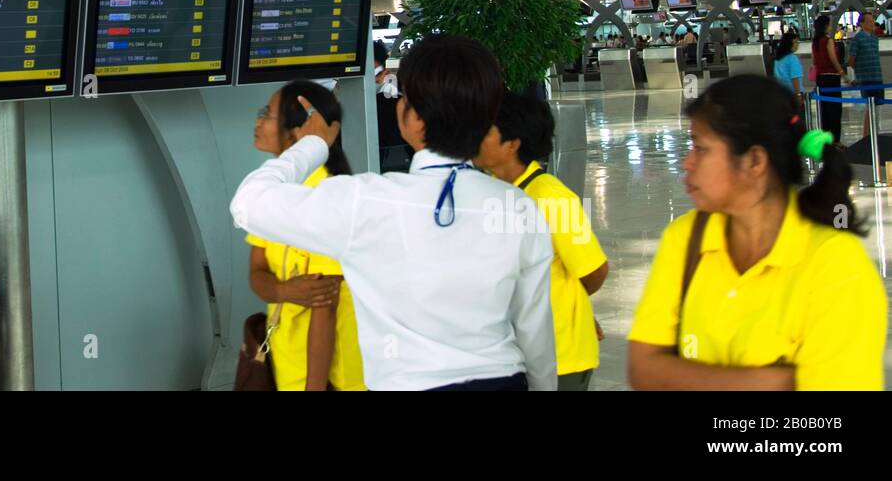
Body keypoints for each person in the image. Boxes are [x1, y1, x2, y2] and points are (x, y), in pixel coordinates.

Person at [230, 34, 557, 391]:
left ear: (411, 118)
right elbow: (534, 330)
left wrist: (313, 144)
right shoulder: (517, 205)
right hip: (503, 382)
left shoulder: (367, 200)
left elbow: (249, 202)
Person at [628, 75, 886, 390]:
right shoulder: (685, 239)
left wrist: (680, 376)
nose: (687, 162)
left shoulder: (836, 266)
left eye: (701, 148)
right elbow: (642, 370)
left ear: (754, 160)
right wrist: (766, 381)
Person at [477, 92, 609, 391]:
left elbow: (594, 271)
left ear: (512, 144)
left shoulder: (549, 196)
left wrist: (570, 308)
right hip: (514, 354)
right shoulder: (495, 191)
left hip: (559, 356)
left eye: (485, 131)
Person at [244, 80, 366, 391]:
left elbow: (323, 309)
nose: (258, 121)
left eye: (266, 114)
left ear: (299, 131)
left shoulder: (328, 195)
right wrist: (284, 291)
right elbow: (256, 275)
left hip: (330, 378)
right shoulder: (272, 192)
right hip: (286, 368)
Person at [373, 40, 411, 174]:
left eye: (376, 73)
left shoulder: (387, 102)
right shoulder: (395, 98)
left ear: (386, 72)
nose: (375, 80)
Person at [846, 11, 885, 139]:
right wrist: (858, 74)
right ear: (862, 24)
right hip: (866, 79)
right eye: (869, 21)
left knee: (877, 108)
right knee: (870, 108)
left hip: (877, 77)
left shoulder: (874, 38)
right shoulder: (857, 39)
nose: (872, 23)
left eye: (873, 20)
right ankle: (867, 136)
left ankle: (875, 135)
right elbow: (851, 60)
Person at [811, 13, 843, 146]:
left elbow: (814, 60)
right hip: (832, 77)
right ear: (825, 26)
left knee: (824, 109)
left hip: (820, 78)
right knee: (835, 109)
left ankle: (825, 139)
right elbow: (833, 58)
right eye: (829, 24)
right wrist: (841, 71)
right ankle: (835, 140)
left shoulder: (815, 42)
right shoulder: (828, 40)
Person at [772, 30, 803, 107]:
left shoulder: (778, 59)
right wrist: (798, 94)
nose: (797, 45)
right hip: (792, 93)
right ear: (789, 44)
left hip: (781, 93)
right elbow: (795, 78)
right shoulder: (792, 58)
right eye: (795, 42)